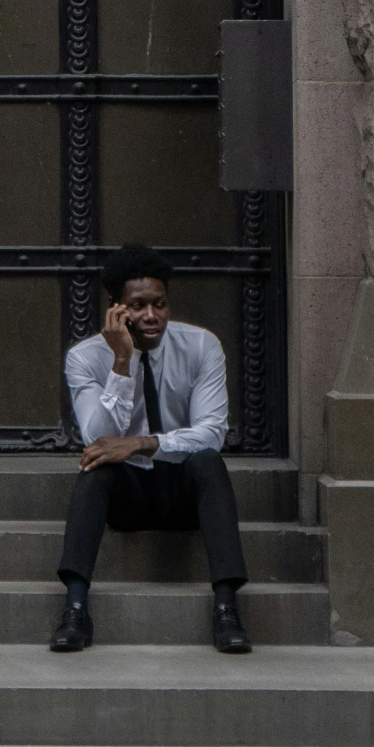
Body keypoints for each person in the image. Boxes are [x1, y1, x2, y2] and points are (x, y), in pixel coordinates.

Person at [49, 243, 252, 655]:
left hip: (183, 492)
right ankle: (75, 608)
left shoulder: (201, 347)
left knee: (210, 462)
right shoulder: (85, 359)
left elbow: (211, 433)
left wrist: (143, 443)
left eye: (159, 304)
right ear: (116, 309)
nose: (151, 316)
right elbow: (98, 439)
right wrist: (121, 362)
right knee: (96, 468)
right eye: (138, 305)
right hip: (128, 497)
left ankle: (227, 609)